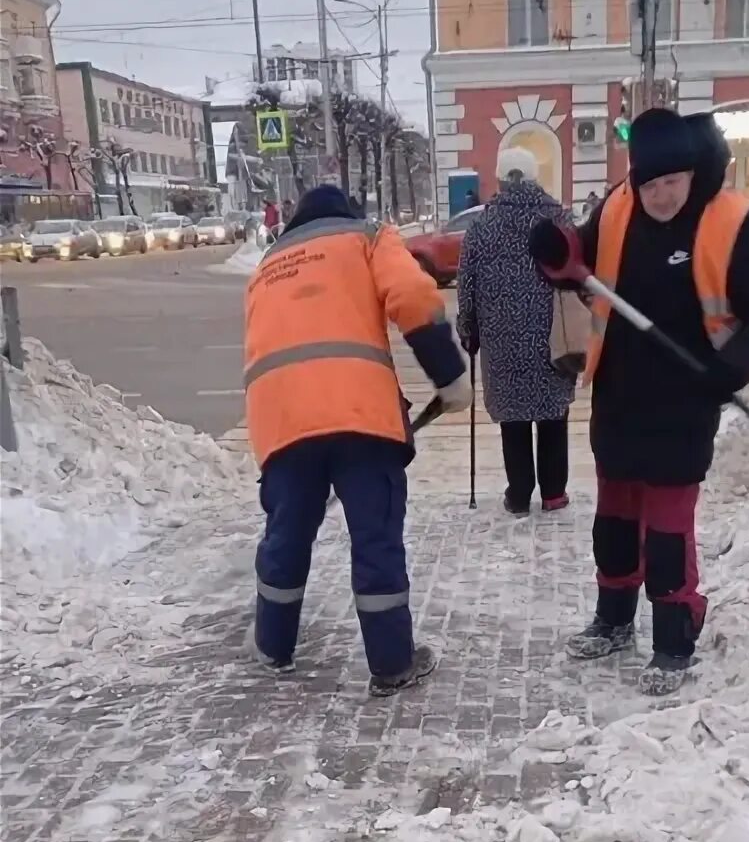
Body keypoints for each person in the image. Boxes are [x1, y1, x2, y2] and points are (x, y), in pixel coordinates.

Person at [529, 108, 749, 691]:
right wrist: (558, 251)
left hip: (686, 394)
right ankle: (613, 620)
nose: (661, 195)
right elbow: (581, 266)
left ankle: (675, 637)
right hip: (619, 392)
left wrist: (732, 368)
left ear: (693, 174)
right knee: (615, 521)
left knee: (668, 531)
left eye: (672, 181)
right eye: (650, 183)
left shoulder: (732, 220)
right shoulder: (619, 206)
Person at [245, 184, 472, 696]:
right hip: (358, 419)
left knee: (286, 534)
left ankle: (273, 645)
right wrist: (449, 374)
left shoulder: (267, 263)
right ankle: (392, 665)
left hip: (281, 421)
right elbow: (413, 296)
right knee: (375, 538)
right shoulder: (366, 238)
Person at [456, 147, 576, 515]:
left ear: (501, 178)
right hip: (552, 335)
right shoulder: (560, 219)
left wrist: (468, 329)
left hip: (501, 338)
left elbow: (467, 283)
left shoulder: (481, 226)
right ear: (534, 175)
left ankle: (520, 494)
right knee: (553, 413)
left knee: (514, 417)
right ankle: (554, 493)